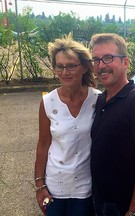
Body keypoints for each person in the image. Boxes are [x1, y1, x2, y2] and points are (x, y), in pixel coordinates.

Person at [90, 33, 135, 216]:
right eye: (96, 60)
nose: (101, 65)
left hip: (122, 206)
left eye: (108, 58)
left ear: (125, 62)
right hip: (100, 198)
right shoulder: (101, 100)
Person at [34, 33, 101, 216]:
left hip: (85, 185)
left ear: (85, 68)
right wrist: (40, 185)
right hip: (56, 184)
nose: (65, 72)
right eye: (60, 66)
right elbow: (43, 145)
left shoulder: (97, 100)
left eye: (71, 66)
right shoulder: (48, 102)